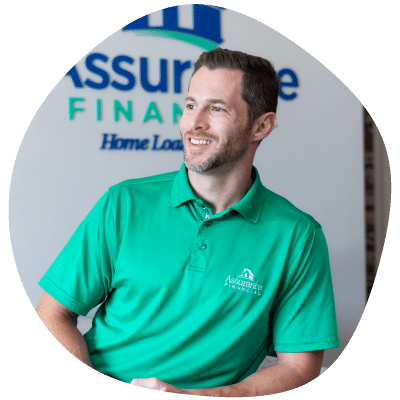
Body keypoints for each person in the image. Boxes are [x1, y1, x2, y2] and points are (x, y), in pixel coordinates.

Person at [36, 48, 339, 396]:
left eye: (217, 108)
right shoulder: (124, 203)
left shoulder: (297, 235)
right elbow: (53, 314)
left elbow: (298, 366)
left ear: (262, 125)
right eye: (190, 105)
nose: (194, 123)